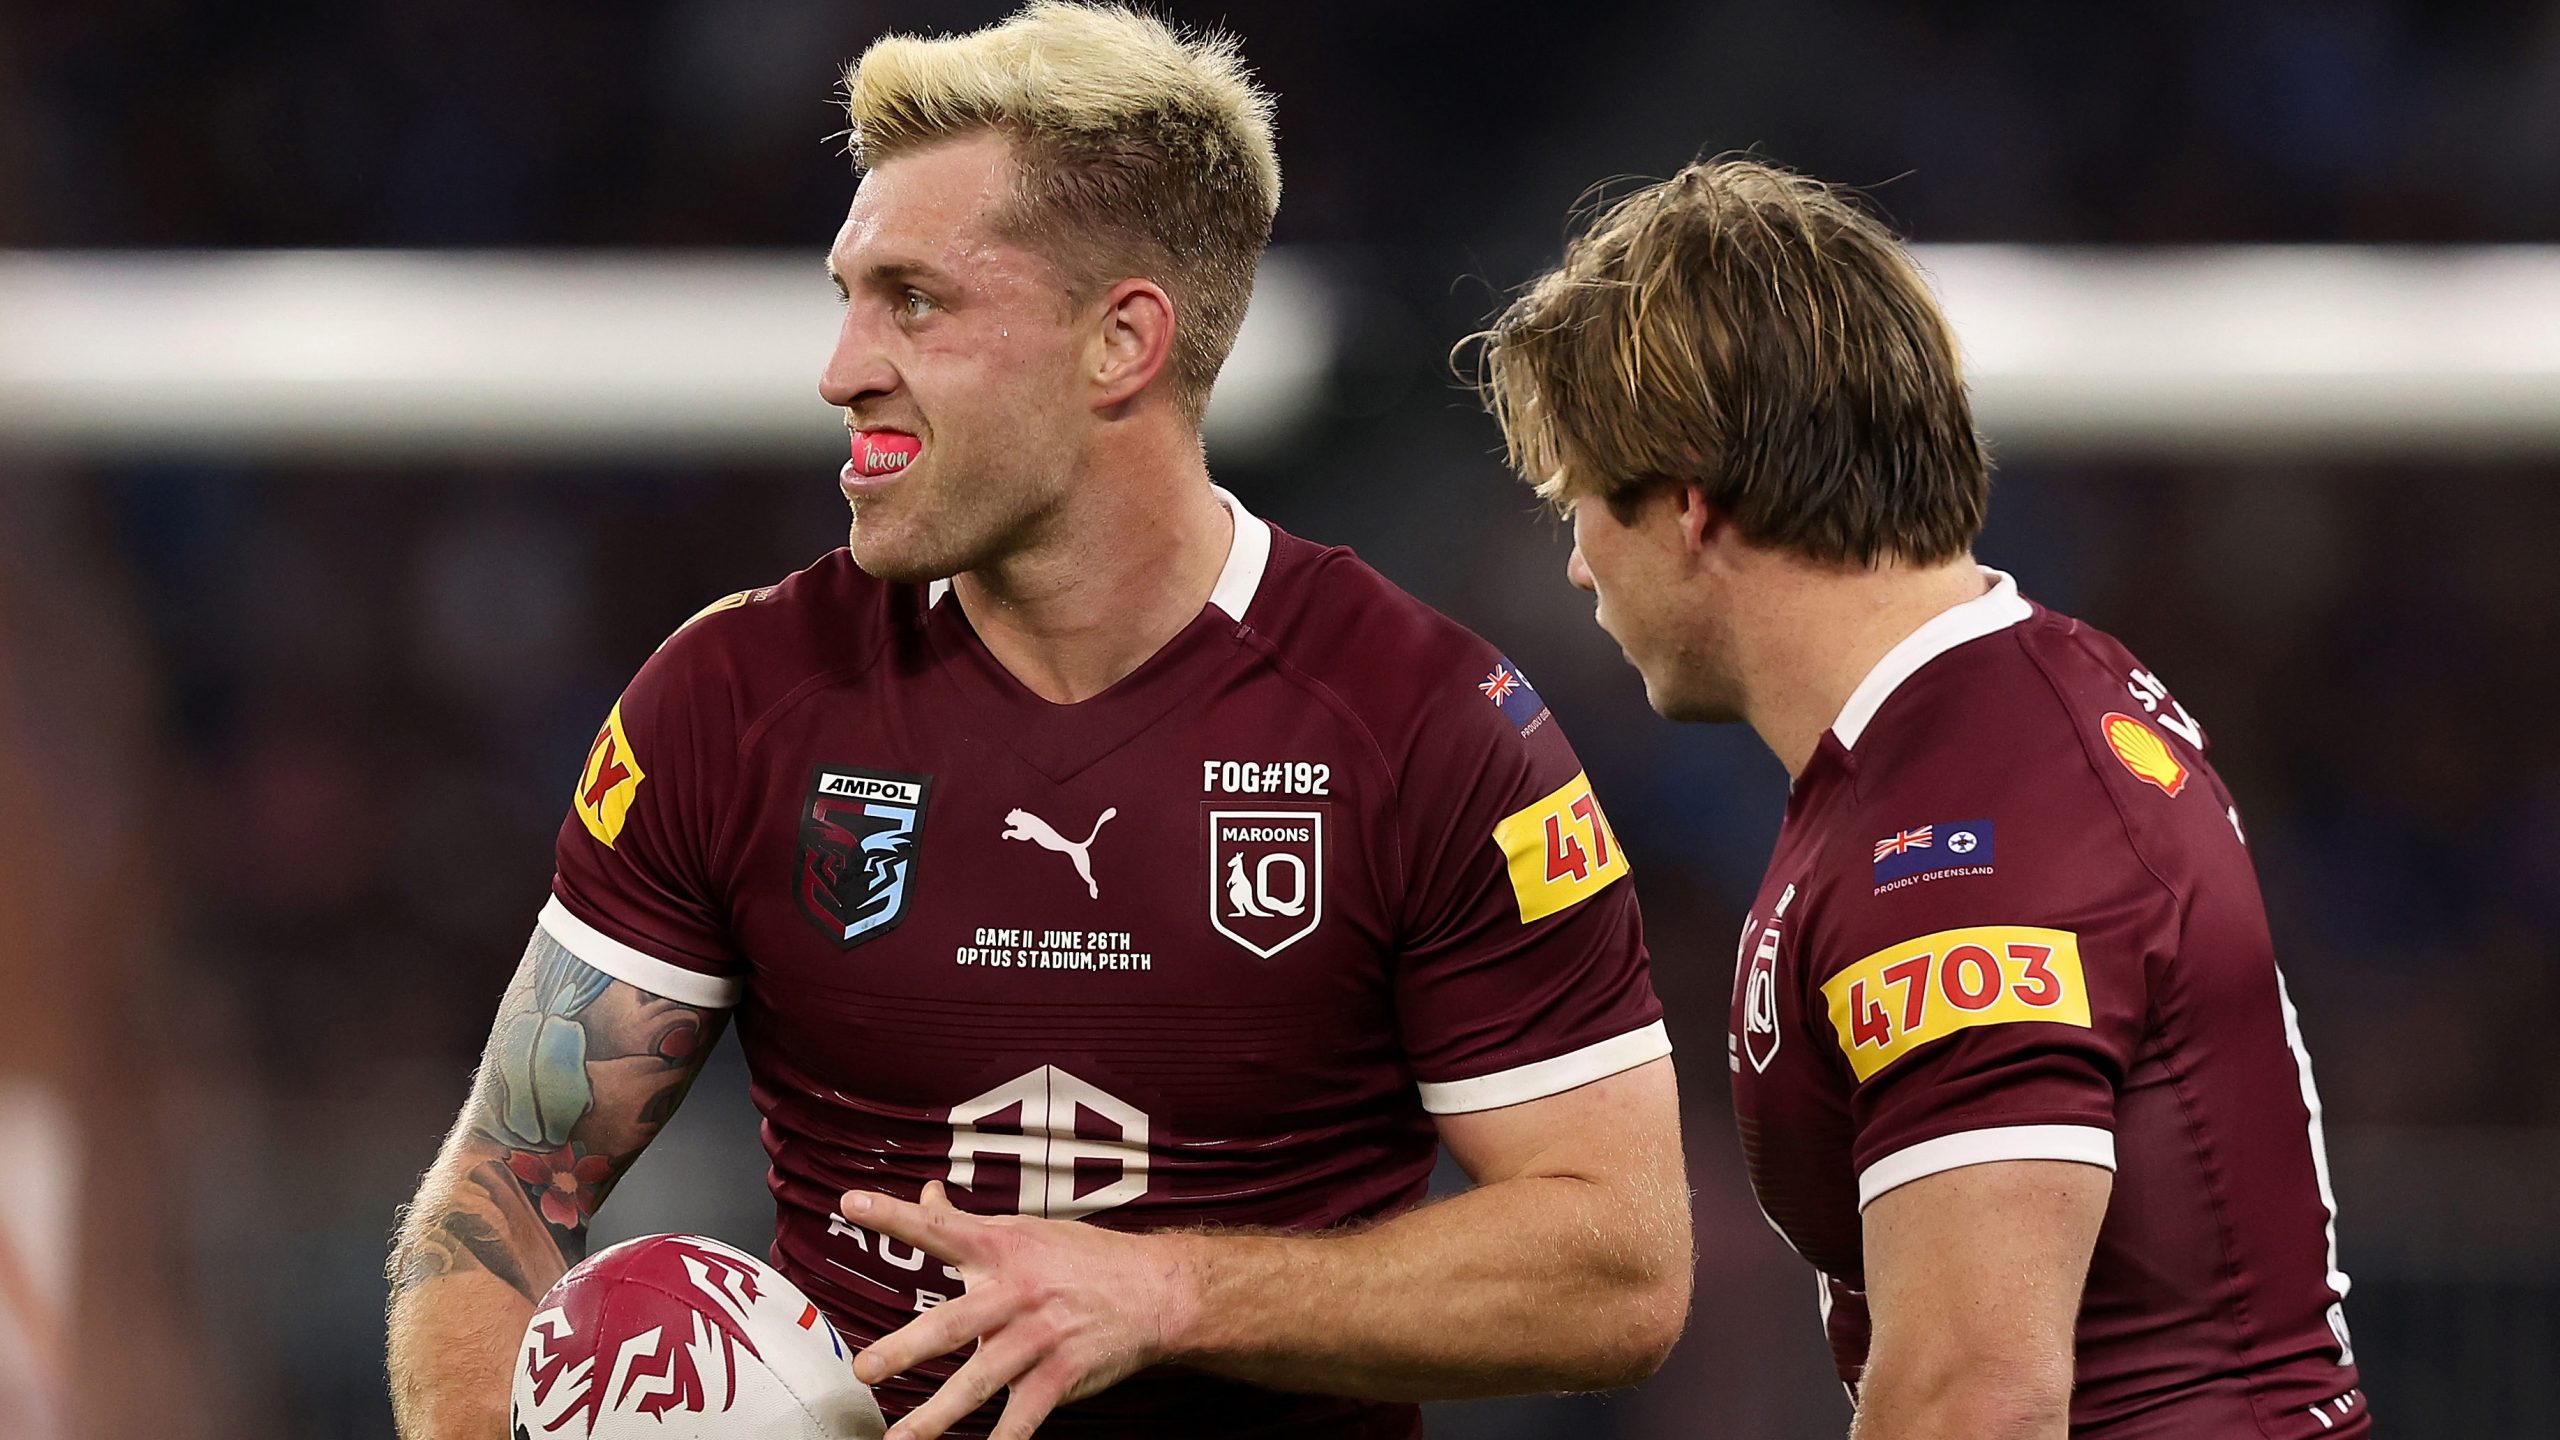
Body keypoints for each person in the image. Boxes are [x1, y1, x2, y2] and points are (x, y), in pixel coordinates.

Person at [384, 7, 1690, 1439]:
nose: (841, 368)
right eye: (847, 296)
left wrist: (1172, 1294)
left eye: (914, 303)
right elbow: (507, 1182)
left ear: (1121, 341)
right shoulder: (732, 701)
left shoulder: (1430, 729)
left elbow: (1620, 1269)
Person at [1469, 158, 2367, 1438]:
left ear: (1684, 503)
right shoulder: (2003, 711)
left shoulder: (1957, 844)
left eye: (1575, 505)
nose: (1571, 565)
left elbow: (1976, 1401)